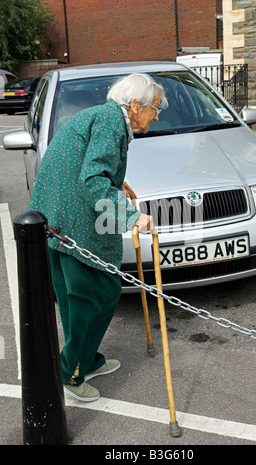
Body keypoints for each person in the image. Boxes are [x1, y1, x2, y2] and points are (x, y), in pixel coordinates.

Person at [29, 73, 168, 401]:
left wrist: (116, 184)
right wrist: (131, 216)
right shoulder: (110, 121)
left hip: (55, 218)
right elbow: (92, 178)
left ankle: (85, 360)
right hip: (73, 223)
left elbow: (88, 165)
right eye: (155, 109)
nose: (157, 115)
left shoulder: (104, 115)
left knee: (74, 298)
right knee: (99, 293)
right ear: (135, 105)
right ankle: (71, 372)